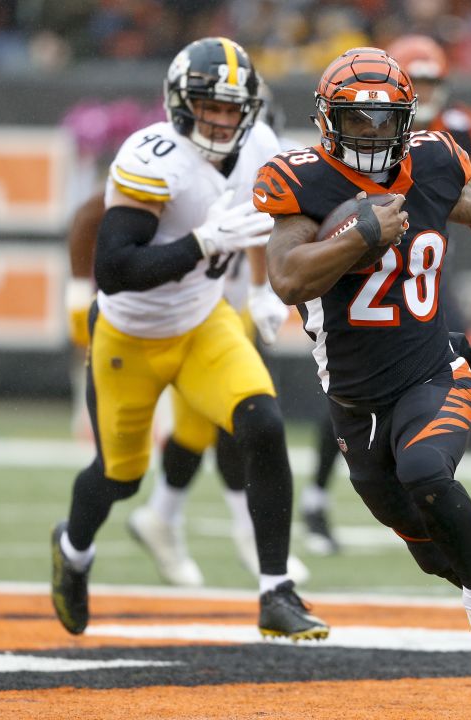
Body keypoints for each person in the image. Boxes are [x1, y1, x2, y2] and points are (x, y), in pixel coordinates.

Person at [255, 47, 471, 684]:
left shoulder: (433, 160)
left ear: (407, 117)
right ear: (326, 120)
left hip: (432, 370)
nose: (371, 133)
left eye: (384, 118)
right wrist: (359, 236)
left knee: (425, 469)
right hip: (353, 399)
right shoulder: (303, 180)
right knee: (426, 543)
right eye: (356, 119)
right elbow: (285, 278)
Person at [50, 37, 328, 642]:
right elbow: (114, 268)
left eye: (233, 108)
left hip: (204, 322)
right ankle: (72, 549)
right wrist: (200, 244)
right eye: (210, 106)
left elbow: (265, 220)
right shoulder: (154, 158)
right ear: (180, 104)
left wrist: (262, 288)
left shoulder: (259, 145)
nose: (223, 120)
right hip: (132, 334)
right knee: (120, 476)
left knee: (263, 423)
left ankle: (275, 590)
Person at [299, 35, 471, 556]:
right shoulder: (328, 157)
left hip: (422, 275)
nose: (433, 90)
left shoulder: (452, 135)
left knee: (469, 364)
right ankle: (317, 496)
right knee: (353, 392)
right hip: (360, 279)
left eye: (436, 80)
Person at [65, 193, 307, 589]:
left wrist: (263, 287)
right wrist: (76, 292)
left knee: (240, 419)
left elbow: (263, 228)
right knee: (173, 445)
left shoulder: (270, 151)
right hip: (174, 312)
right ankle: (188, 522)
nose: (227, 127)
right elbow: (92, 214)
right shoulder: (171, 163)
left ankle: (171, 519)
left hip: (229, 309)